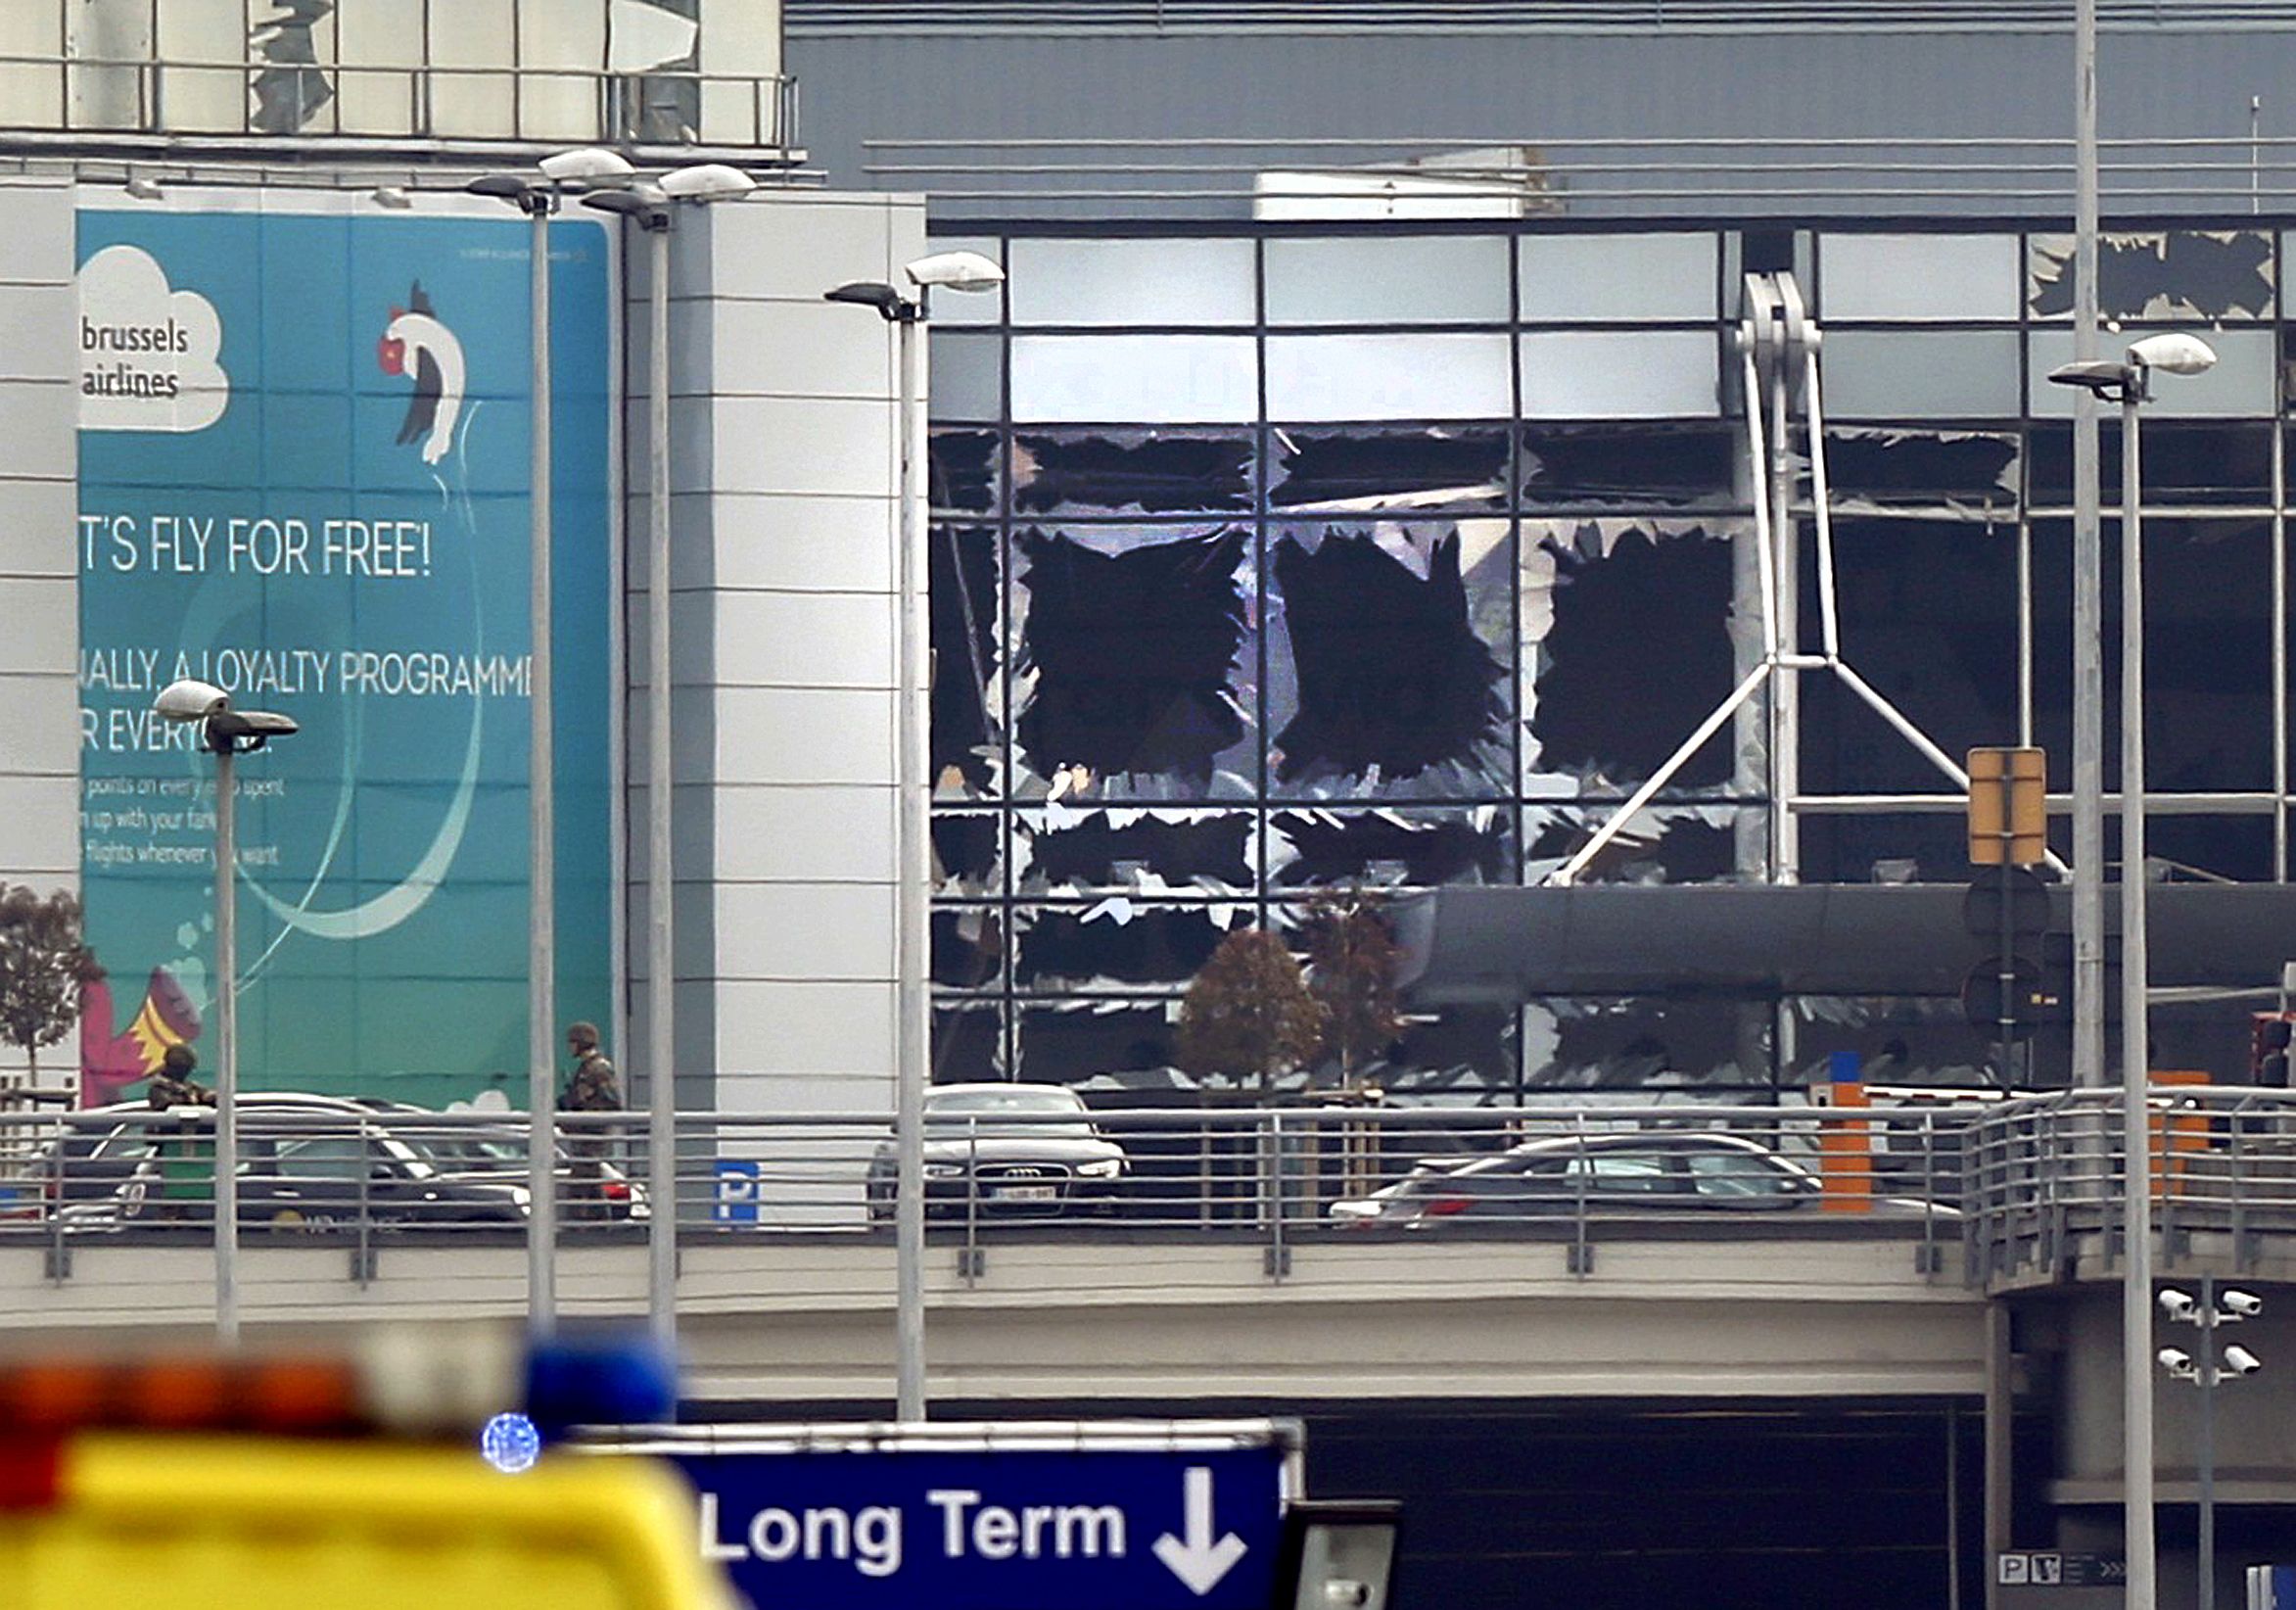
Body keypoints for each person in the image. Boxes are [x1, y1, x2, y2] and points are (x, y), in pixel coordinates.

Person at [561, 1022, 623, 1220]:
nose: (570, 1047)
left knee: (581, 1182)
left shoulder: (599, 1069)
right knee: (588, 1182)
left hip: (592, 1136)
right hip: (582, 1136)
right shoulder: (585, 1069)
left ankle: (585, 1226)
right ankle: (598, 1225)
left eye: (572, 1042)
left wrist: (584, 1111)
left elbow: (612, 1103)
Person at [147, 1043, 214, 1110]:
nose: (189, 1072)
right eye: (187, 1069)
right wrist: (188, 1099)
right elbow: (166, 1104)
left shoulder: (189, 1086)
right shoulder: (158, 1088)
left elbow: (207, 1094)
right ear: (177, 1069)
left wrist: (209, 1098)